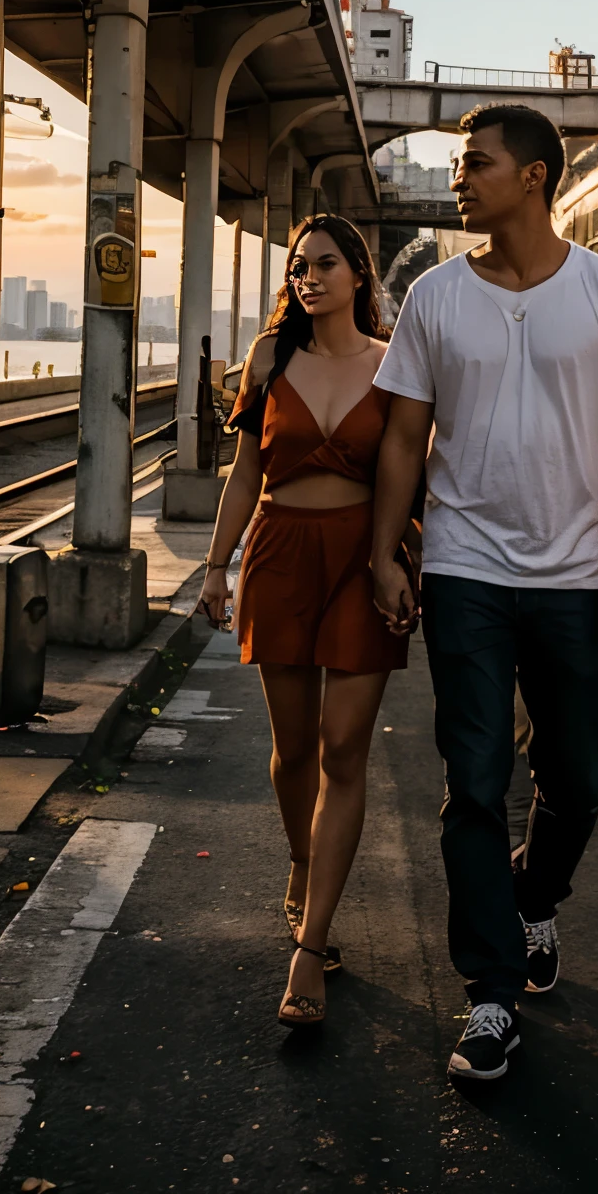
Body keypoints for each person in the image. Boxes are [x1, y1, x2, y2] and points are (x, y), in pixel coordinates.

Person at [370, 103, 598, 1082]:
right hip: (463, 570)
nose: (459, 178)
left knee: (579, 773)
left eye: (475, 164)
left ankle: (530, 896)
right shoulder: (433, 297)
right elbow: (405, 438)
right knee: (474, 783)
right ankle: (490, 996)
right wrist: (387, 550)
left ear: (532, 177)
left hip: (572, 573)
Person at [198, 214, 412, 1028]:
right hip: (280, 553)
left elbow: (409, 471)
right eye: (298, 267)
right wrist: (215, 566)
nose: (307, 277)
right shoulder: (268, 358)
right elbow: (246, 467)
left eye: (325, 265)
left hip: (361, 559)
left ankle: (311, 945)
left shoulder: (394, 368)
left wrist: (399, 560)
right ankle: (301, 859)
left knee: (343, 753)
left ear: (359, 274)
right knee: (292, 753)